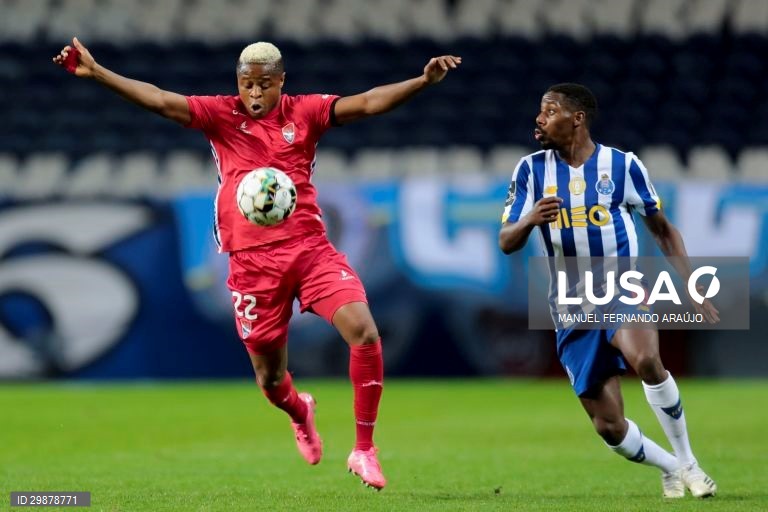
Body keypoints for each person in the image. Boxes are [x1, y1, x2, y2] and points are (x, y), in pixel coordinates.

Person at [54, 37, 461, 490]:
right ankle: (299, 411)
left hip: (309, 249)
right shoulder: (220, 115)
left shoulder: (305, 113)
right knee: (270, 380)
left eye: (264, 85)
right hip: (251, 265)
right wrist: (101, 72)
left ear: (281, 83)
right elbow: (162, 101)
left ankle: (364, 449)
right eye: (247, 84)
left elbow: (365, 103)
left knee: (364, 332)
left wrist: (423, 81)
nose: (253, 94)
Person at [498, 83, 718, 498]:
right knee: (610, 427)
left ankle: (688, 460)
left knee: (648, 359)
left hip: (620, 285)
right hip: (569, 302)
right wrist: (530, 220)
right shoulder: (529, 170)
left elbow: (662, 229)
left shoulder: (623, 166)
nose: (539, 119)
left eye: (549, 111)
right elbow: (506, 241)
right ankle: (672, 466)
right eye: (539, 112)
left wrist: (691, 283)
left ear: (576, 118)